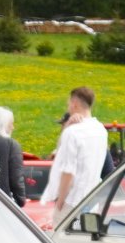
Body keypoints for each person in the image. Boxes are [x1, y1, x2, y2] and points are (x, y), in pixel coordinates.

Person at [42, 86, 104, 221]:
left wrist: (60, 200)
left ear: (74, 104)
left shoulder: (74, 132)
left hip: (71, 201)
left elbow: (68, 170)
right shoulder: (101, 130)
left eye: (69, 103)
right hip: (91, 201)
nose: (68, 107)